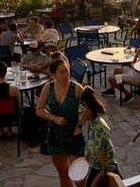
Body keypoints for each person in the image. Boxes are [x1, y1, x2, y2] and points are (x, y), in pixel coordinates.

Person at [37, 59, 85, 187]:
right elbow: (39, 109)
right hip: (55, 136)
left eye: (67, 71)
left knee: (79, 177)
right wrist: (53, 118)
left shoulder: (76, 88)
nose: (66, 75)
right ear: (53, 75)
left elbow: (91, 108)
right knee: (63, 173)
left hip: (74, 137)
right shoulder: (48, 88)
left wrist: (80, 125)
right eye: (62, 72)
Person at [79, 86, 122, 186]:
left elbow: (104, 168)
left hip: (105, 171)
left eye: (86, 108)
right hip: (95, 167)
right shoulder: (92, 123)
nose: (84, 112)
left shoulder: (99, 129)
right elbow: (92, 148)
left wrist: (94, 184)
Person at [102, 37, 140, 104]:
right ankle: (112, 90)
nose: (139, 46)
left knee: (111, 79)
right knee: (117, 70)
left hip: (136, 77)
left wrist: (136, 54)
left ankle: (128, 94)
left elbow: (133, 66)